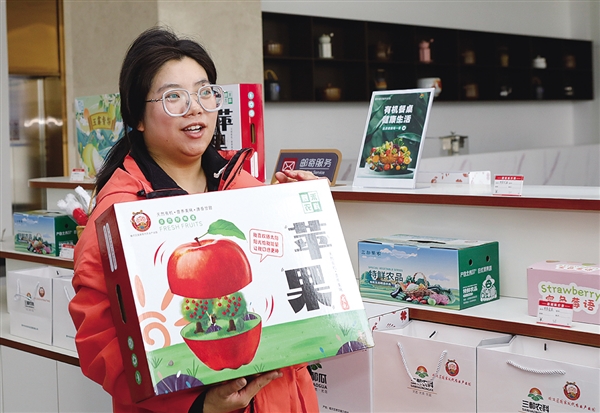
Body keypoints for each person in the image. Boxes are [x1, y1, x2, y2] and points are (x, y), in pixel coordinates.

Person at [68, 26, 319, 413]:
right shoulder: (119, 215)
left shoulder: (246, 188)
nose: (195, 107)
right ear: (136, 117)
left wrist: (297, 208)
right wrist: (198, 404)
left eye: (205, 92)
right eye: (173, 97)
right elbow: (99, 340)